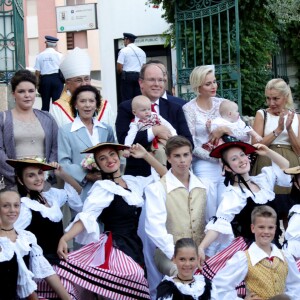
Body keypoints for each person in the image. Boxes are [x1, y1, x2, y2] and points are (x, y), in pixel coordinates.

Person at [55, 142, 167, 299]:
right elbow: (87, 216)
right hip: (115, 247)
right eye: (102, 158)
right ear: (98, 165)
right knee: (127, 289)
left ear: (119, 156)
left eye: (112, 154)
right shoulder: (103, 188)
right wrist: (65, 238)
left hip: (134, 243)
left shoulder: (133, 182)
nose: (109, 160)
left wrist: (146, 155)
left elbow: (166, 177)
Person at [197, 137, 290, 294]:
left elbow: (285, 167)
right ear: (227, 168)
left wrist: (268, 152)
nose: (241, 160)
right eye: (234, 159)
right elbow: (220, 222)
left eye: (242, 155)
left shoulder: (263, 180)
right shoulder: (234, 194)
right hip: (251, 251)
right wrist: (202, 247)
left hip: (273, 246)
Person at [145, 136, 209, 298]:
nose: (182, 160)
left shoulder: (203, 185)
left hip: (200, 252)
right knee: (183, 275)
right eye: (177, 156)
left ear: (191, 156)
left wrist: (204, 250)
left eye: (186, 155)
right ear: (168, 158)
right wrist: (175, 256)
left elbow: (210, 222)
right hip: (170, 254)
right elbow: (154, 228)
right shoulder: (157, 188)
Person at [183, 65, 249, 218]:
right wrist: (215, 156)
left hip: (228, 161)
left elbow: (244, 133)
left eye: (214, 81)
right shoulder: (189, 109)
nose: (214, 86)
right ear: (197, 86)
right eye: (208, 83)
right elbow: (191, 144)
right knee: (209, 201)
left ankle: (228, 239)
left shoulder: (223, 104)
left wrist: (225, 129)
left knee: (228, 201)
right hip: (204, 161)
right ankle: (210, 239)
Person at [116, 63, 193, 177]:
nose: (157, 84)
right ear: (141, 82)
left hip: (172, 173)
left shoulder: (175, 108)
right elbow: (124, 142)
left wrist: (169, 139)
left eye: (160, 80)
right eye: (152, 80)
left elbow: (188, 142)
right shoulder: (127, 107)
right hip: (140, 174)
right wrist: (154, 131)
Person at [6, 158, 82, 266]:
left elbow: (78, 192)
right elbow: (12, 240)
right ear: (20, 179)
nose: (38, 179)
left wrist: (62, 174)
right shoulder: (24, 207)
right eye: (31, 175)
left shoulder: (52, 196)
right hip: (42, 268)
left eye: (40, 173)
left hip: (61, 260)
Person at [212, 206, 300, 299]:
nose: (266, 231)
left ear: (275, 229)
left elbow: (296, 286)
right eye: (261, 227)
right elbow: (220, 287)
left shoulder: (285, 257)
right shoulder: (244, 258)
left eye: (270, 227)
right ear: (253, 228)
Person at [0, 190, 71, 300]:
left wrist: (67, 298)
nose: (12, 210)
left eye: (16, 205)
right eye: (6, 206)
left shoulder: (26, 238)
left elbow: (44, 271)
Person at [252, 78, 300, 229]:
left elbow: (298, 149)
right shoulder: (262, 114)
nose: (271, 103)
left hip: (290, 164)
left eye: (276, 98)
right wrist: (277, 130)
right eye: (268, 98)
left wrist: (289, 128)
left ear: (285, 97)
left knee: (290, 209)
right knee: (267, 208)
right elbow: (255, 146)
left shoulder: (296, 117)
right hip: (266, 161)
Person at [0, 70, 58, 190]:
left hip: (43, 183)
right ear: (13, 94)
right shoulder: (3, 118)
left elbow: (55, 147)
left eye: (31, 91)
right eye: (21, 91)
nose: (27, 95)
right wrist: (19, 176)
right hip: (15, 185)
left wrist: (46, 173)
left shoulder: (47, 118)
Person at [58, 85, 115, 202]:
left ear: (97, 104)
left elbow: (116, 155)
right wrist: (86, 176)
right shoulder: (66, 131)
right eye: (82, 101)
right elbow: (63, 162)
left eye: (91, 101)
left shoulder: (106, 129)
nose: (87, 105)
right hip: (80, 187)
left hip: (107, 185)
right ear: (75, 105)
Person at [50, 47, 115, 129]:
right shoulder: (57, 108)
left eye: (87, 79)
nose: (84, 84)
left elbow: (113, 136)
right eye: (79, 80)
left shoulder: (104, 105)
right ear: (67, 83)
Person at [123, 95, 177, 167]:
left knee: (175, 148)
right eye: (143, 110)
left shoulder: (155, 115)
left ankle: (175, 168)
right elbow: (130, 136)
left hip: (165, 139)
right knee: (160, 151)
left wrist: (174, 135)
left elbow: (167, 124)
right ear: (134, 112)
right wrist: (127, 147)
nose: (147, 112)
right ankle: (162, 170)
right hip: (151, 143)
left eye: (149, 109)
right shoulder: (135, 123)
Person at [34, 35, 64, 111]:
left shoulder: (39, 56)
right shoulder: (60, 55)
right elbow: (64, 70)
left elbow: (37, 73)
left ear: (46, 44)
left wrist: (37, 85)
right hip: (57, 80)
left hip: (45, 80)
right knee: (57, 105)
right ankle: (56, 122)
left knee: (45, 105)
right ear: (56, 45)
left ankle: (45, 121)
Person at [117, 32, 146, 101]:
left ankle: (128, 111)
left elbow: (119, 68)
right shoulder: (142, 52)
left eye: (124, 40)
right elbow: (144, 67)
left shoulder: (123, 51)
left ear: (127, 40)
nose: (124, 42)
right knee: (138, 98)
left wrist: (121, 75)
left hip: (127, 77)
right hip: (139, 77)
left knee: (127, 99)